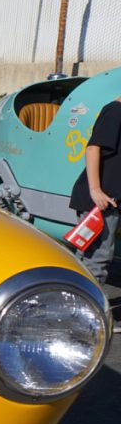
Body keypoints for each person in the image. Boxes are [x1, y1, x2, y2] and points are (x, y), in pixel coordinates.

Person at [69, 96, 121, 285]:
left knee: (89, 257)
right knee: (97, 258)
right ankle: (90, 306)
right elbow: (92, 148)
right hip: (101, 201)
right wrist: (96, 189)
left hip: (110, 200)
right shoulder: (115, 111)